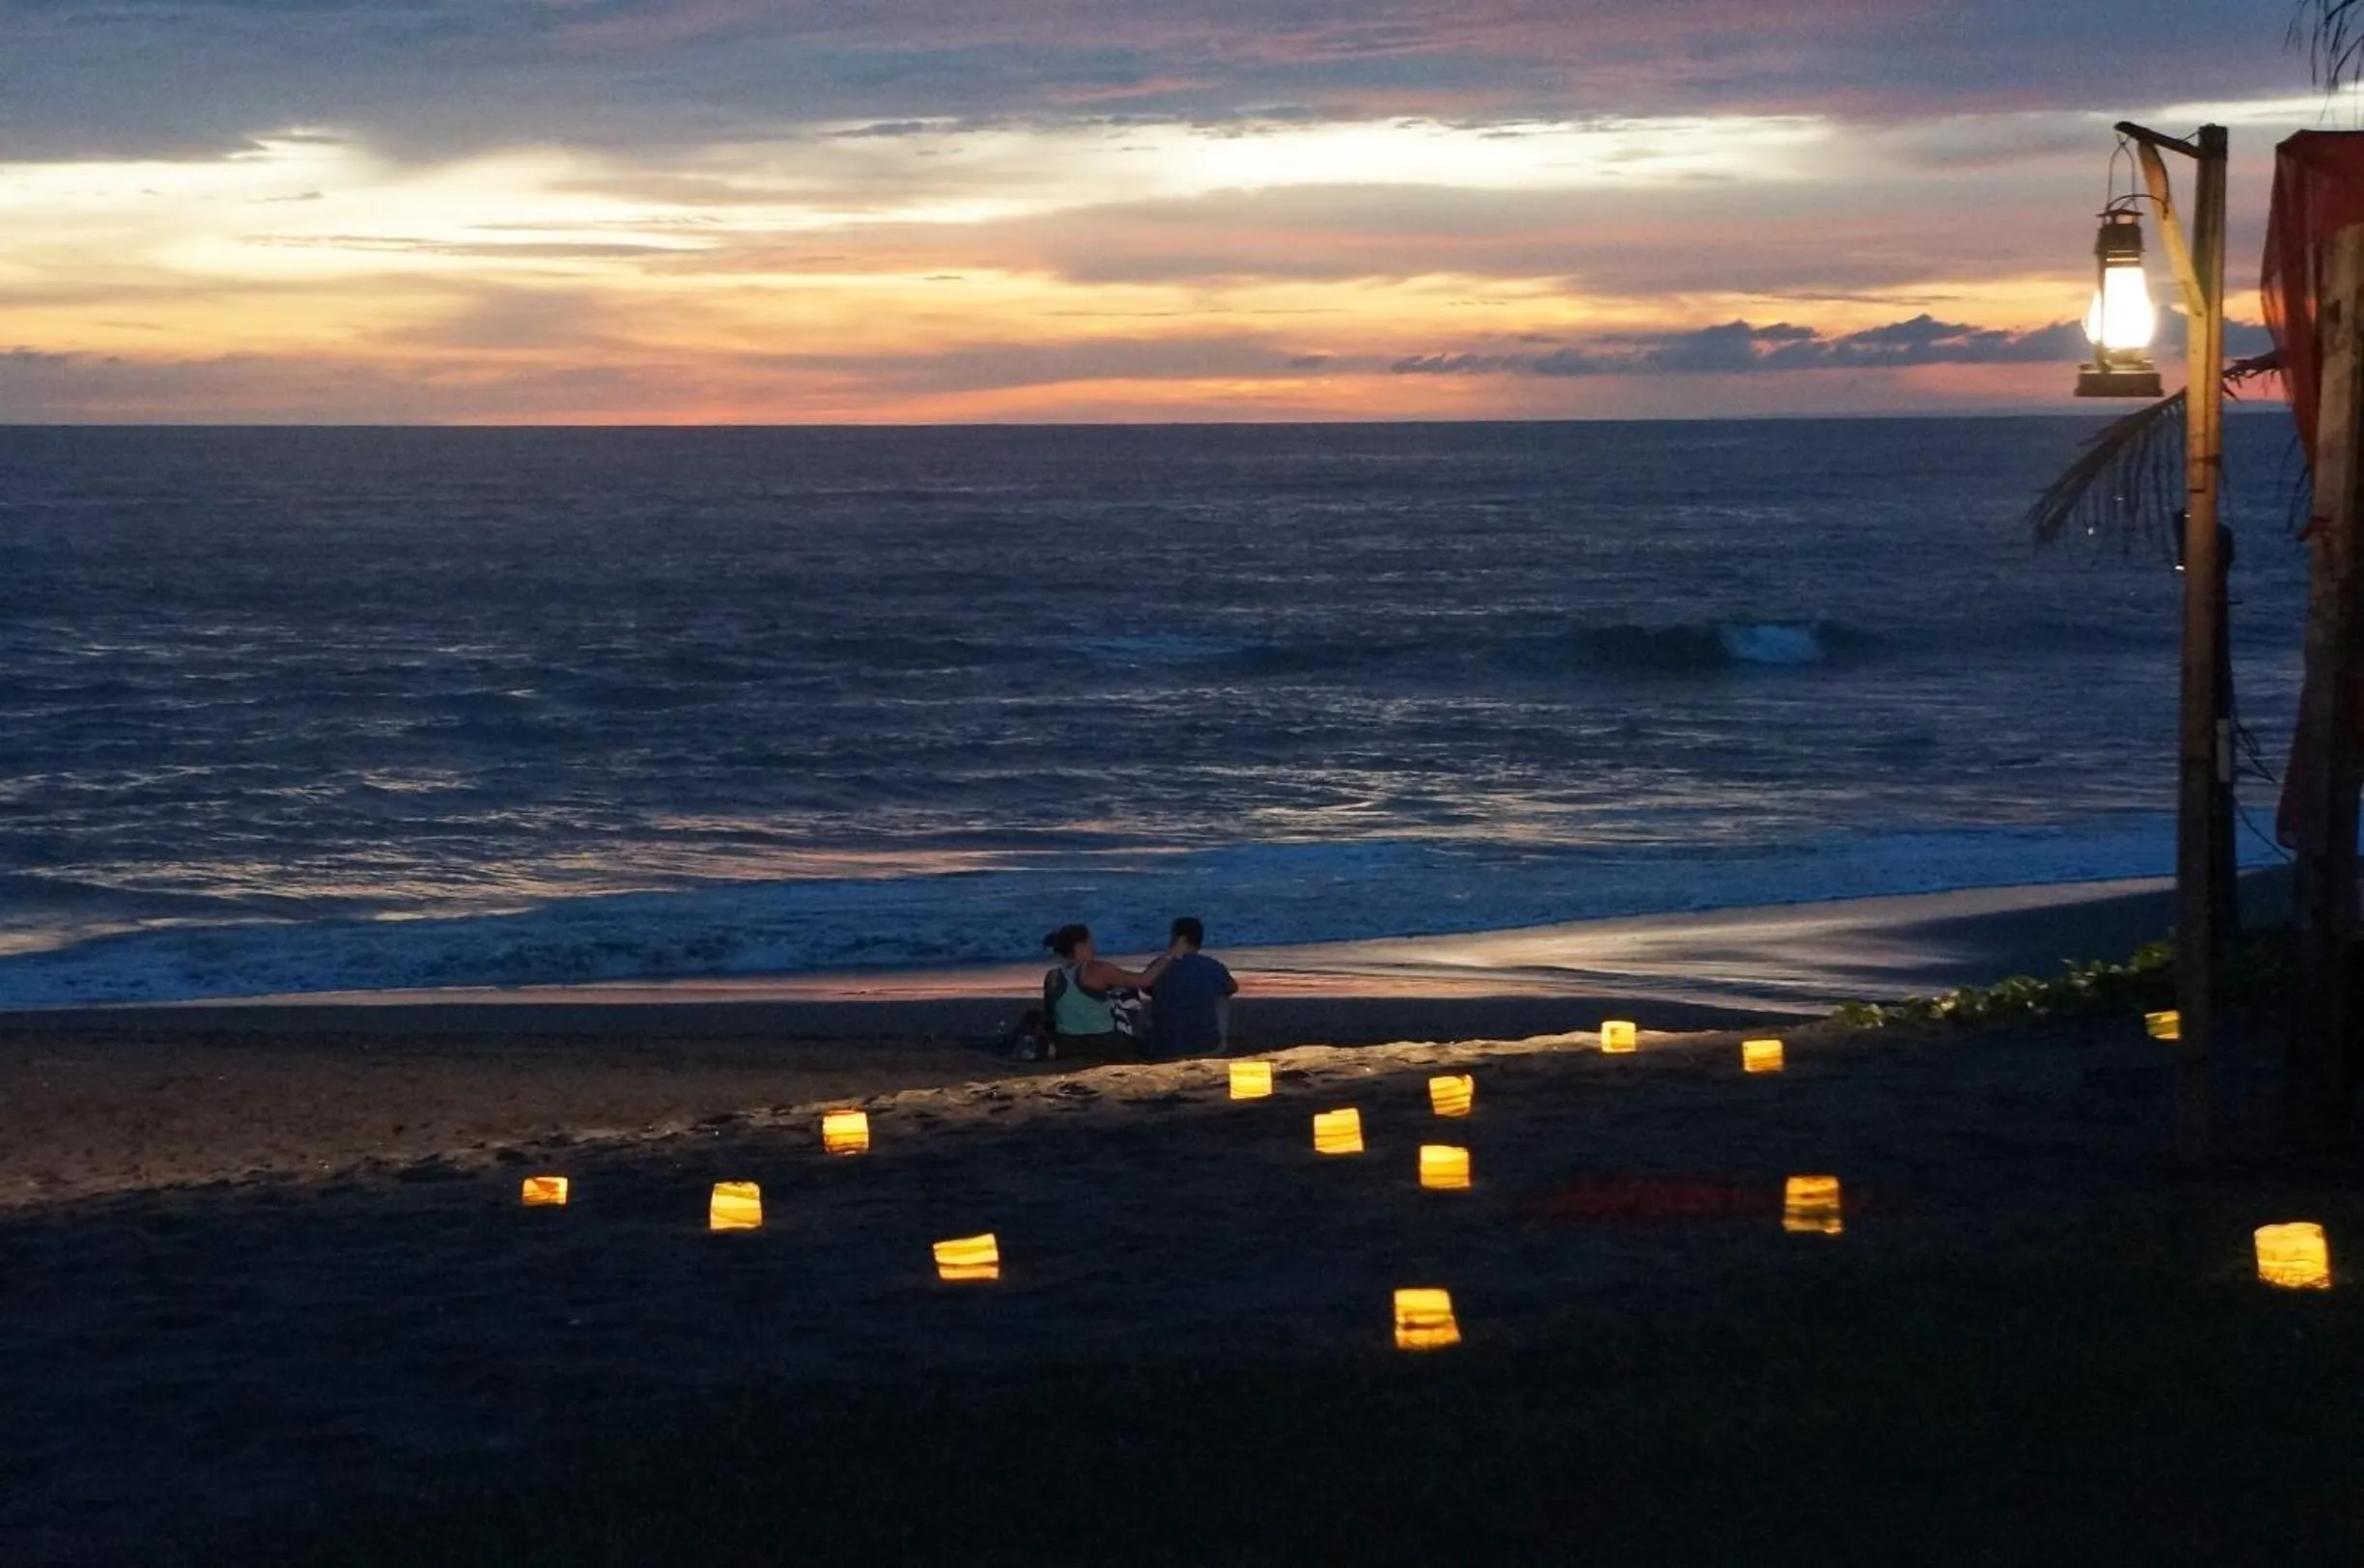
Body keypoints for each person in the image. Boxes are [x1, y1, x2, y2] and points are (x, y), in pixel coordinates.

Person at [1034, 923, 1177, 1060]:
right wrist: (1171, 954)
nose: (1094, 949)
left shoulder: (1052, 976)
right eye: (1091, 944)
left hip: (1067, 1046)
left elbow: (1051, 1013)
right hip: (1103, 1044)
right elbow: (1145, 980)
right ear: (1079, 947)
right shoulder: (1097, 969)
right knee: (1128, 995)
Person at [1146, 916, 1238, 1060]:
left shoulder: (1158, 966)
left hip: (1164, 1048)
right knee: (1222, 992)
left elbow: (1146, 989)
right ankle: (1211, 1034)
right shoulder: (1214, 966)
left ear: (1178, 938)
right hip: (1206, 1045)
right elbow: (1232, 988)